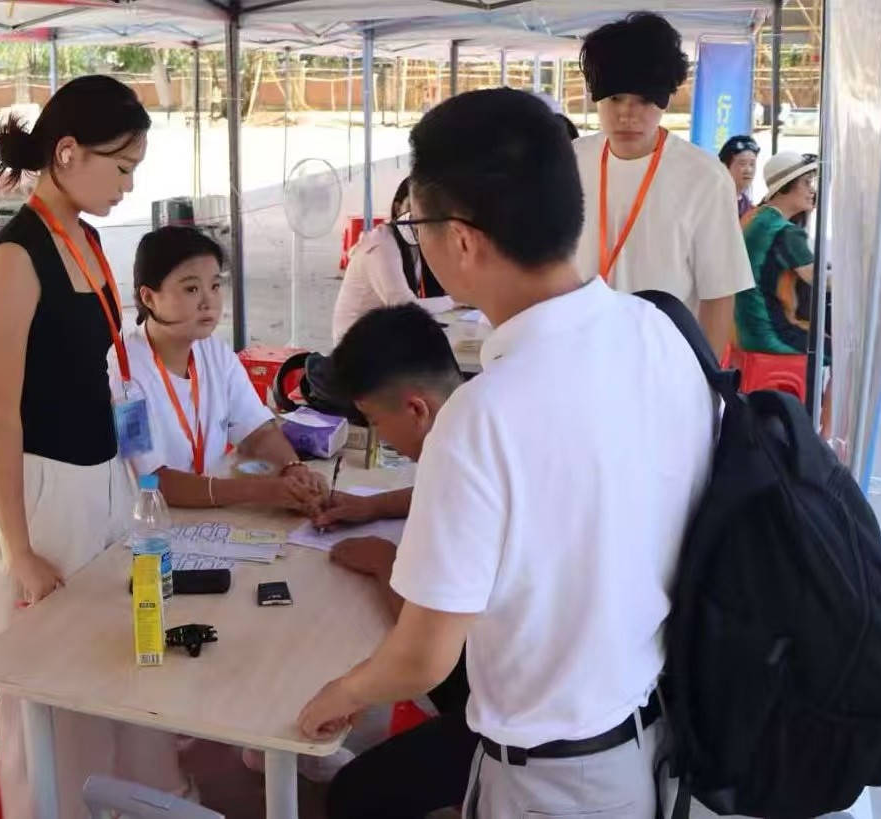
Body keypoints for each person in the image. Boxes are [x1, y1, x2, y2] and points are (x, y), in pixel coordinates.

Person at [298, 87, 716, 818]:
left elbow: (423, 657)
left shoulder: (481, 416)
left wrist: (341, 693)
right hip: (649, 736)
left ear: (461, 239)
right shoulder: (658, 331)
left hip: (553, 780)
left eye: (417, 223)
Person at [0, 75, 187, 819]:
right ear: (67, 152)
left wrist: (137, 475)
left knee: (112, 654)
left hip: (105, 478)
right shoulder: (16, 256)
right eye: (121, 167)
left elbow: (105, 370)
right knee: (45, 676)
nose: (129, 185)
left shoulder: (89, 241)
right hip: (44, 488)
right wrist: (20, 549)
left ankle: (123, 802)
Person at [298, 304, 475, 818]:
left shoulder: (458, 474)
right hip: (586, 686)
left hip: (520, 715)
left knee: (356, 795)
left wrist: (385, 564)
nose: (378, 434)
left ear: (416, 409)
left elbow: (425, 654)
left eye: (376, 421)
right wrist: (372, 506)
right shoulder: (481, 420)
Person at [109, 226, 327, 511]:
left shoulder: (214, 351)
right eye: (191, 289)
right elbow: (154, 481)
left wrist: (293, 469)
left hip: (207, 514)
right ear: (149, 298)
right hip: (152, 521)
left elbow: (257, 430)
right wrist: (261, 491)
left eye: (214, 286)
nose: (208, 301)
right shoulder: (123, 375)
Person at [573, 12, 753, 357]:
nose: (627, 114)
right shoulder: (569, 162)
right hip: (581, 354)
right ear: (596, 97)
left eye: (644, 100)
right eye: (615, 98)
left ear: (666, 99)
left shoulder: (704, 177)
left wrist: (707, 379)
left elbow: (719, 293)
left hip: (665, 362)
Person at [736, 151, 833, 435]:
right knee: (849, 353)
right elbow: (819, 280)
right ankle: (825, 438)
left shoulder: (754, 216)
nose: (812, 190)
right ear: (786, 187)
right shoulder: (784, 231)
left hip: (743, 327)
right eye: (806, 183)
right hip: (769, 330)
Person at [331, 178, 454, 345]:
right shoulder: (380, 244)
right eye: (414, 208)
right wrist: (455, 301)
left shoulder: (414, 243)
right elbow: (404, 306)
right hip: (355, 345)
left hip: (385, 333)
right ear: (398, 209)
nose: (422, 218)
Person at [719, 134, 760, 217]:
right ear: (725, 166)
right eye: (742, 163)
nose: (748, 170)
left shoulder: (749, 207)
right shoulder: (715, 200)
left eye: (752, 164)